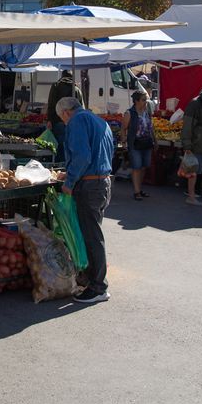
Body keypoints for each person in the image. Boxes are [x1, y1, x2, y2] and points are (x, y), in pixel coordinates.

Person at [56, 96, 114, 305]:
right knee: (93, 232)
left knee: (91, 235)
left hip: (90, 185)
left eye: (63, 120)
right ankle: (91, 278)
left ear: (65, 113)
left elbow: (82, 156)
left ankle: (98, 286)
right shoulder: (97, 120)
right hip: (102, 182)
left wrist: (69, 182)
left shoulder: (77, 121)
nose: (65, 124)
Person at [120, 91, 154, 201]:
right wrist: (124, 141)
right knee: (136, 167)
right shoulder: (129, 113)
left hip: (147, 142)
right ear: (136, 101)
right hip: (135, 143)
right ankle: (136, 191)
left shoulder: (147, 111)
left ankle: (139, 188)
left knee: (144, 166)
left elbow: (150, 127)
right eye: (143, 100)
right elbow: (123, 128)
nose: (145, 102)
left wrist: (155, 141)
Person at [46, 71, 83, 163]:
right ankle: (66, 164)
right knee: (70, 145)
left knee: (59, 146)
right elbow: (81, 105)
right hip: (74, 123)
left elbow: (51, 104)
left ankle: (59, 165)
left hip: (58, 121)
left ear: (62, 76)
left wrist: (49, 119)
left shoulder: (56, 86)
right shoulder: (76, 88)